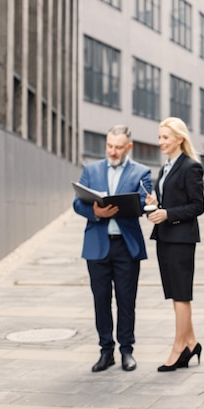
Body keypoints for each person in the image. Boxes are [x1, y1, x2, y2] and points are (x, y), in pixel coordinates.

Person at [73, 124, 151, 373]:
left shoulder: (142, 171)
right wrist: (94, 211)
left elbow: (143, 203)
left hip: (126, 247)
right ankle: (105, 351)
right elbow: (77, 203)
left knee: (127, 301)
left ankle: (126, 350)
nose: (113, 151)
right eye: (109, 146)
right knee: (101, 300)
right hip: (98, 246)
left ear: (128, 147)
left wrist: (148, 203)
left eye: (118, 147)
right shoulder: (91, 169)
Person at [145, 117, 204, 372]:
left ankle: (179, 347)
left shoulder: (191, 166)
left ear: (180, 138)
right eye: (159, 137)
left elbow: (197, 206)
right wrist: (156, 202)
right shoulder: (166, 167)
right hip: (165, 238)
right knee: (175, 295)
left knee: (182, 296)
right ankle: (192, 342)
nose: (161, 142)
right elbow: (172, 199)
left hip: (181, 240)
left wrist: (167, 213)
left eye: (165, 137)